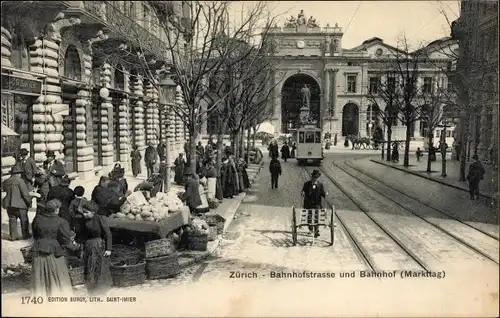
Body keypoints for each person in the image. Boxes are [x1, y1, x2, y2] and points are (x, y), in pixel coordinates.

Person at [31, 199, 78, 297]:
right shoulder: (61, 221)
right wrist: (74, 246)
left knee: (40, 276)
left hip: (39, 249)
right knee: (57, 275)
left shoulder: (37, 219)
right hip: (54, 251)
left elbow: (35, 235)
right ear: (57, 210)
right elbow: (65, 240)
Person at [74, 200, 113, 296]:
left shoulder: (100, 219)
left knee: (99, 267)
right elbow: (82, 234)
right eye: (83, 212)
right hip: (88, 246)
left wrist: (109, 249)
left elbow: (108, 234)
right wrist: (77, 241)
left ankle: (101, 289)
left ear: (93, 212)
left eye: (86, 212)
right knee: (89, 267)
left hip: (98, 245)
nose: (84, 214)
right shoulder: (83, 221)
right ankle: (92, 288)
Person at [2, 165, 33, 240]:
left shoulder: (6, 181)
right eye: (20, 173)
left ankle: (13, 236)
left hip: (9, 205)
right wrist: (29, 202)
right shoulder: (20, 181)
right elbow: (25, 194)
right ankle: (25, 235)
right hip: (20, 205)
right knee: (24, 220)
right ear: (18, 173)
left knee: (12, 220)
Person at [301, 169, 326, 238]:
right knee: (309, 216)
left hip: (317, 203)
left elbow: (322, 193)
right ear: (311, 177)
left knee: (316, 216)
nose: (314, 179)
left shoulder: (320, 185)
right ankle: (311, 229)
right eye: (313, 177)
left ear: (317, 178)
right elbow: (303, 191)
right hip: (308, 203)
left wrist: (325, 194)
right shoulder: (306, 184)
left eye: (316, 178)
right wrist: (302, 192)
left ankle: (316, 231)